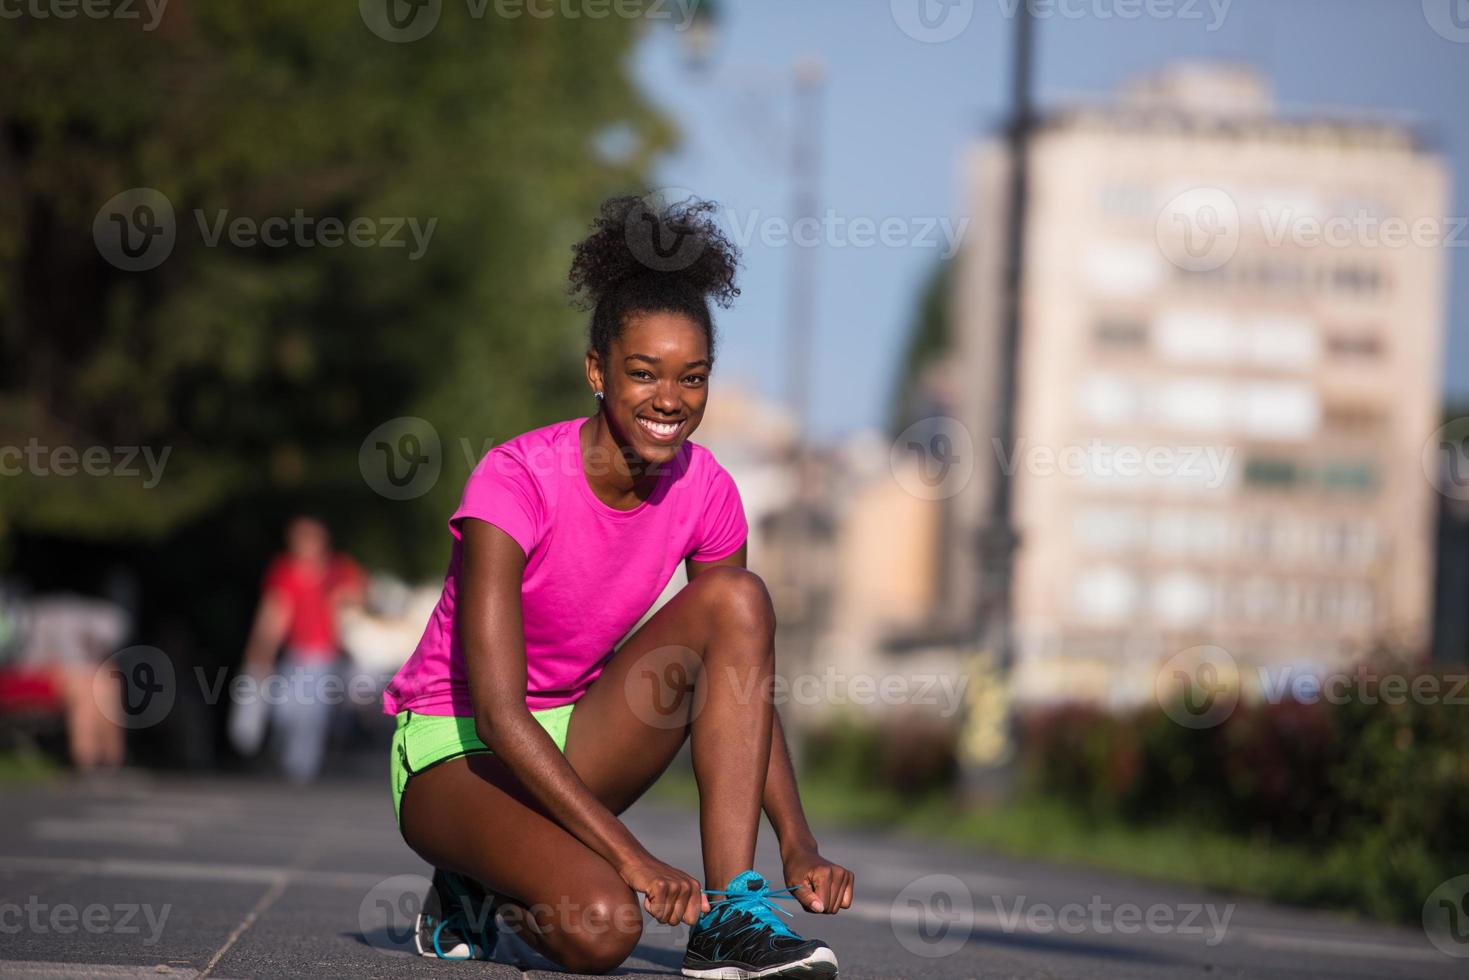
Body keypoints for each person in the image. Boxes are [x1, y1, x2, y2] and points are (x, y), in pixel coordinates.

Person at [382, 195, 852, 977]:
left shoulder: (707, 492)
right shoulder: (515, 479)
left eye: (691, 377)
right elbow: (498, 715)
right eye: (643, 373)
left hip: (582, 736)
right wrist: (632, 859)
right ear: (596, 370)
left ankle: (731, 914)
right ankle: (473, 879)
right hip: (456, 750)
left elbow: (737, 679)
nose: (669, 400)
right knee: (602, 931)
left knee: (739, 600)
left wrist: (796, 840)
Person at [242, 516, 364, 782]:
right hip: (295, 653)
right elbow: (274, 612)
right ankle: (286, 754)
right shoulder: (284, 570)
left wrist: (343, 598)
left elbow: (361, 600)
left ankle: (300, 767)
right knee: (285, 709)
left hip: (326, 656)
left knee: (312, 714)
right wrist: (261, 648)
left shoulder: (339, 570)